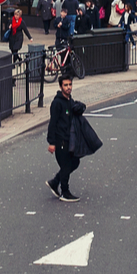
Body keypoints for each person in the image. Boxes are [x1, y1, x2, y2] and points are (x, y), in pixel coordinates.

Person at [46, 73, 88, 202]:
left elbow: (76, 111)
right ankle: (65, 192)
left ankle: (55, 182)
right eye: (66, 85)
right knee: (66, 165)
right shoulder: (57, 103)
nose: (68, 87)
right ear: (60, 87)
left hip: (69, 140)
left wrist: (81, 107)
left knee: (74, 162)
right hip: (60, 140)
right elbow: (52, 123)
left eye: (70, 85)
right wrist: (51, 142)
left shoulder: (70, 101)